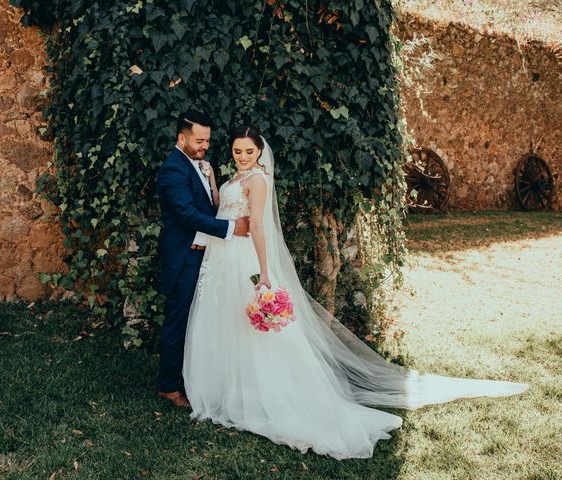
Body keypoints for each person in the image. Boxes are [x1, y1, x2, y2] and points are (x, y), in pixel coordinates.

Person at [182, 125, 529, 459]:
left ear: (260, 153)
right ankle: (232, 389)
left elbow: (257, 224)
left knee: (253, 331)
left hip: (244, 259)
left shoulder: (257, 179)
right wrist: (214, 181)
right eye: (237, 151)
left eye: (249, 151)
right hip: (222, 258)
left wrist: (265, 272)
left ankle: (264, 395)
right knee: (228, 322)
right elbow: (222, 210)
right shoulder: (235, 178)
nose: (242, 156)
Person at [156, 111, 250, 408]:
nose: (204, 146)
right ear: (181, 137)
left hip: (206, 257)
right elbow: (186, 215)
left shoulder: (196, 165)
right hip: (185, 259)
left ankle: (200, 378)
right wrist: (233, 228)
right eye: (199, 140)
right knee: (179, 320)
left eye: (207, 140)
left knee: (202, 321)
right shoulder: (173, 169)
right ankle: (169, 387)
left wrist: (211, 180)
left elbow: (208, 207)